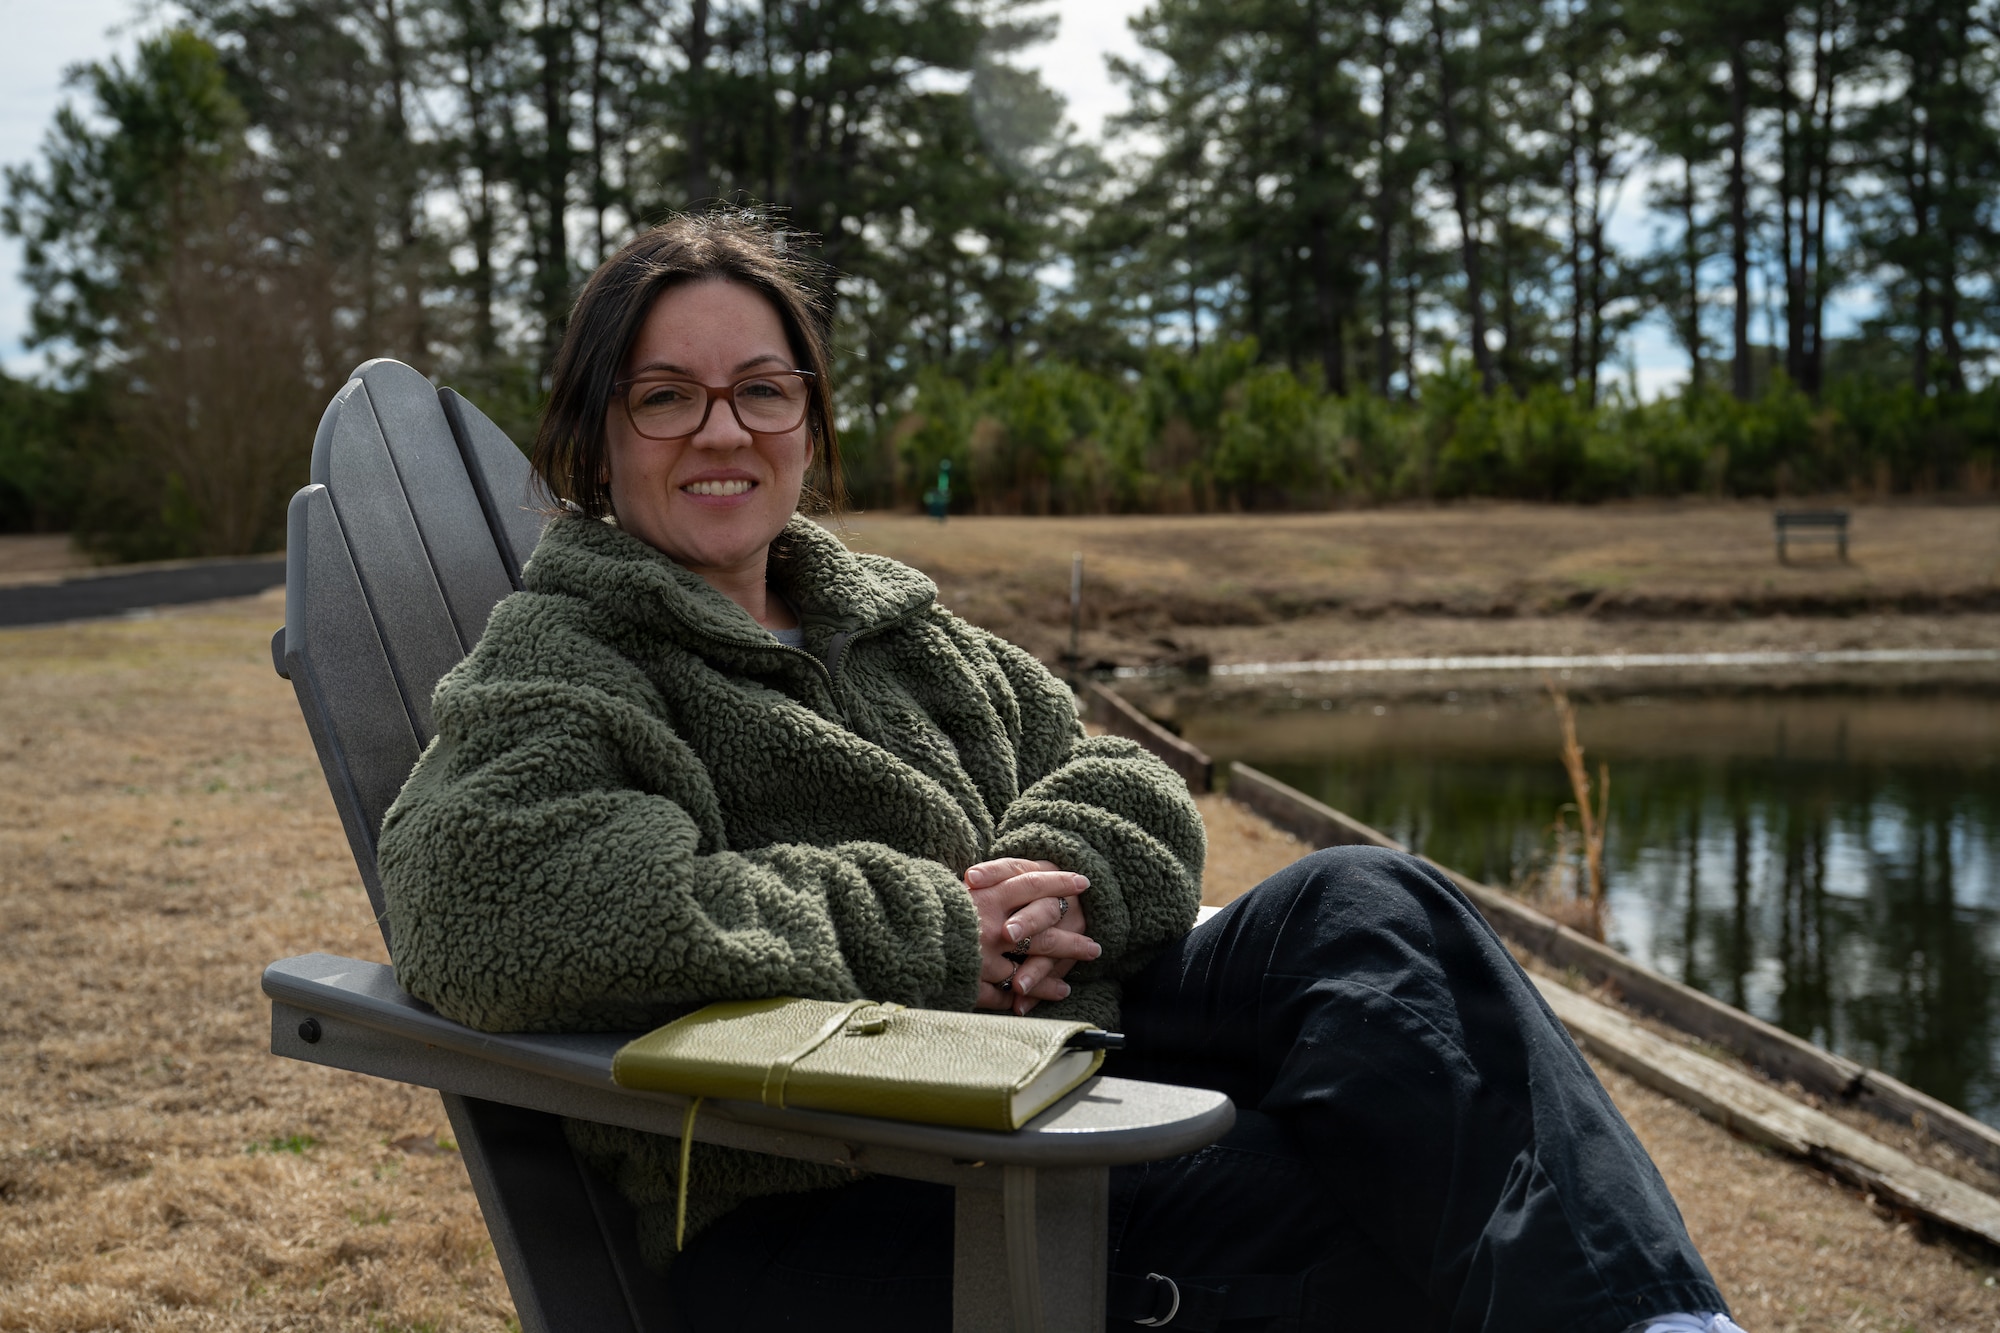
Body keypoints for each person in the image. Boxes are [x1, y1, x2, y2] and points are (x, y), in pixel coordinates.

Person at [376, 210, 1739, 1332]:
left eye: (761, 389)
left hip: (1041, 1065)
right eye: (665, 397)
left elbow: (1112, 772)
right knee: (1356, 1198)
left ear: (808, 417)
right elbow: (490, 881)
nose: (721, 432)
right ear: (597, 432)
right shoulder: (574, 649)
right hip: (836, 1192)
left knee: (1367, 901)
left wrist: (1058, 891)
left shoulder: (885, 621)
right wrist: (929, 931)